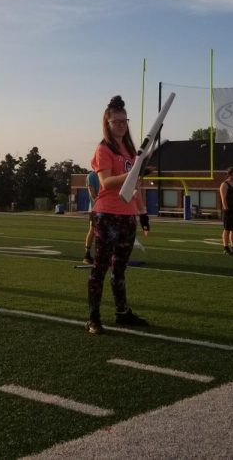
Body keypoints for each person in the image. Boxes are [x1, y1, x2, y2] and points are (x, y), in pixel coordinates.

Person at [86, 95, 150, 335]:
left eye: (124, 121)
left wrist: (142, 213)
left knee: (120, 269)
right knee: (100, 268)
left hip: (127, 216)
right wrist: (133, 171)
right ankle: (93, 318)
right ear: (108, 123)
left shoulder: (131, 150)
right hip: (106, 215)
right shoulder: (104, 149)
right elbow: (106, 182)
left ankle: (122, 312)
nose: (121, 125)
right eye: (116, 121)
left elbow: (136, 187)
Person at [82, 170, 100, 264]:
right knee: (93, 230)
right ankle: (87, 254)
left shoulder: (105, 173)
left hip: (105, 207)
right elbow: (92, 195)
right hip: (95, 208)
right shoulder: (91, 176)